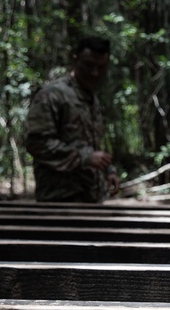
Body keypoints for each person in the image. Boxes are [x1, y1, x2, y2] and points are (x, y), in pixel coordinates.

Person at [25, 36, 120, 203]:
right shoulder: (52, 95)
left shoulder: (92, 99)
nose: (94, 73)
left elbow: (91, 144)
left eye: (101, 67)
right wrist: (84, 158)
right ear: (75, 60)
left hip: (92, 197)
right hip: (59, 199)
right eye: (89, 66)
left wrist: (108, 170)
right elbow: (37, 143)